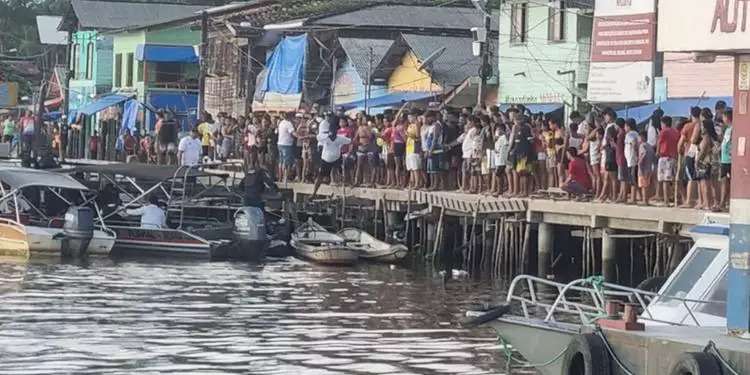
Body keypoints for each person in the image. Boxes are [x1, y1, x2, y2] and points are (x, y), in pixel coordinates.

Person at [313, 117, 352, 197]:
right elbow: (315, 137)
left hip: (336, 158)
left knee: (341, 169)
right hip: (326, 159)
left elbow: (351, 141)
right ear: (329, 132)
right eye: (332, 133)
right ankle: (314, 193)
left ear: (336, 132)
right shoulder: (325, 137)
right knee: (320, 177)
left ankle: (344, 183)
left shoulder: (340, 138)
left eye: (334, 132)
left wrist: (362, 143)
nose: (333, 135)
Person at [679, 107, 702, 208]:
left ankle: (689, 201)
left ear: (691, 114)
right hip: (700, 153)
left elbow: (681, 142)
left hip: (690, 152)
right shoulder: (702, 125)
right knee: (698, 177)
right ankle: (698, 199)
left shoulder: (688, 126)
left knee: (690, 177)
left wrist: (680, 151)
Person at [657, 116, 680, 206]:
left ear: (664, 123)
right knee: (673, 179)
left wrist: (657, 152)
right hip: (673, 156)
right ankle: (675, 198)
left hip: (665, 157)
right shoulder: (676, 131)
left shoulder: (664, 131)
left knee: (665, 180)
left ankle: (666, 201)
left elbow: (659, 142)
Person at [697, 119, 718, 210]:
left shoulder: (706, 138)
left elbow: (703, 151)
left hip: (704, 163)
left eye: (702, 126)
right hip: (708, 163)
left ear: (705, 128)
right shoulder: (711, 137)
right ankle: (709, 203)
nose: (701, 128)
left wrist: (697, 160)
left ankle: (707, 203)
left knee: (705, 183)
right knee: (708, 183)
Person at [277, 112, 297, 184]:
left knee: (281, 162)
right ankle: (285, 178)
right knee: (286, 162)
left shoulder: (281, 123)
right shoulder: (289, 124)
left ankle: (280, 178)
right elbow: (293, 133)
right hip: (286, 144)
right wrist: (300, 136)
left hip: (280, 144)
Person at [638, 130, 656, 206]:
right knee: (647, 185)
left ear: (641, 137)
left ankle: (644, 201)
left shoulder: (642, 146)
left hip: (643, 168)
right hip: (649, 168)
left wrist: (640, 162)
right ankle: (647, 200)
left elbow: (643, 153)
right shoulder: (650, 146)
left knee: (643, 185)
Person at [624, 118, 640, 203]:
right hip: (632, 159)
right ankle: (638, 196)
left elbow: (634, 143)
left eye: (625, 126)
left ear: (628, 126)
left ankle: (633, 198)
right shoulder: (636, 133)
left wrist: (636, 153)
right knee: (634, 179)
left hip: (632, 160)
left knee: (633, 180)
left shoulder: (630, 134)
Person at [720, 109, 732, 211]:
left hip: (728, 160)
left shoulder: (732, 129)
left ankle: (723, 203)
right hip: (724, 159)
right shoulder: (727, 129)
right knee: (725, 181)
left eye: (723, 117)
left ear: (727, 117)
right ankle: (724, 202)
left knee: (725, 182)